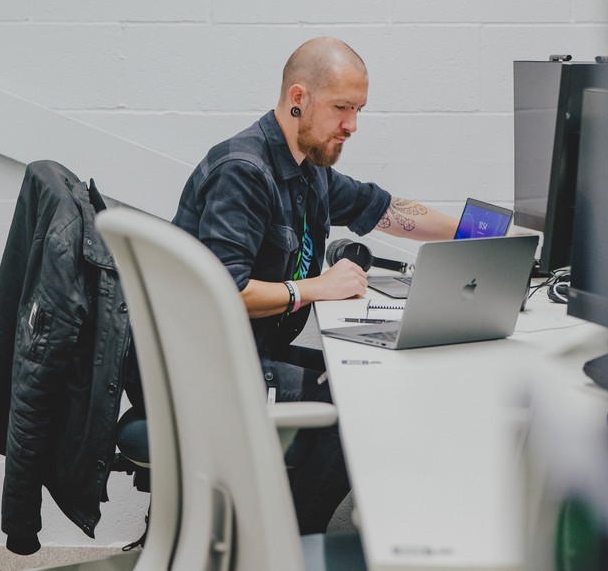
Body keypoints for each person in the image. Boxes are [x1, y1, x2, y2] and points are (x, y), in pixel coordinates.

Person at [171, 36, 459, 534]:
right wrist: (313, 288)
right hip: (204, 368)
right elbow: (226, 291)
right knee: (358, 410)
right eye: (342, 108)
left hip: (244, 353)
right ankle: (288, 548)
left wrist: (484, 232)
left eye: (358, 110)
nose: (351, 125)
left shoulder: (310, 168)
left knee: (364, 383)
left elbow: (387, 209)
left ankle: (276, 536)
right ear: (298, 98)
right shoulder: (244, 170)